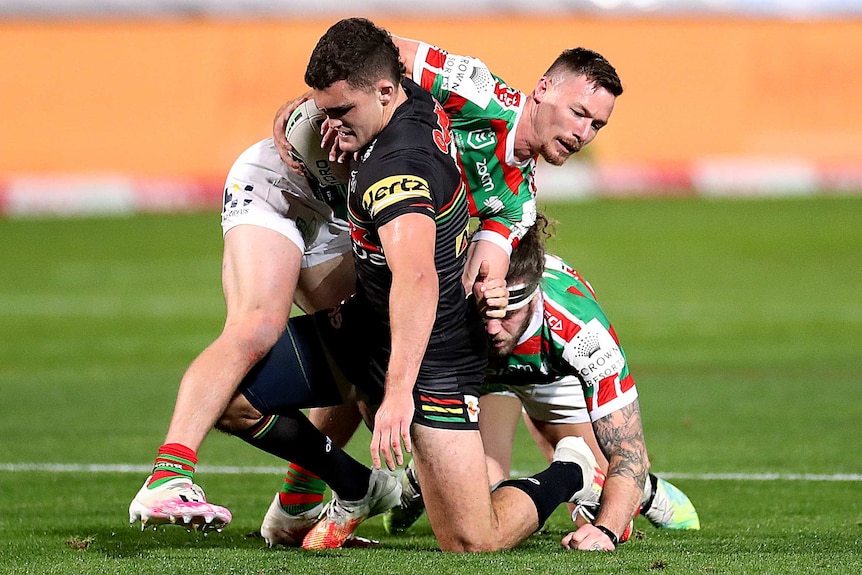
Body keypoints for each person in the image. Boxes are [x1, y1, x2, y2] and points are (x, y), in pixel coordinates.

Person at [234, 17, 608, 552]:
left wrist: (491, 294)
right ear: (542, 89)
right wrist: (314, 108)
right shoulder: (477, 90)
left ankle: (570, 469)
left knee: (469, 539)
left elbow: (470, 276)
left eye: (596, 126)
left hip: (433, 335)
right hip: (374, 275)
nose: (583, 133)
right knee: (244, 387)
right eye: (579, 113)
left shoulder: (517, 203)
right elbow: (380, 54)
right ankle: (329, 489)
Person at [384, 216, 701, 550]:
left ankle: (647, 492)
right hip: (482, 373)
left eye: (507, 314)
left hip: (551, 373)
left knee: (605, 508)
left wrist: (605, 531)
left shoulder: (581, 331)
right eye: (486, 313)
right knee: (485, 492)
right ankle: (422, 476)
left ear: (533, 297)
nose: (493, 329)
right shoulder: (452, 295)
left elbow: (629, 449)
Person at [126, 129, 361, 530]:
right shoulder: (442, 99)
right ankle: (170, 473)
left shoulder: (463, 147)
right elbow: (347, 78)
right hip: (284, 181)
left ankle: (300, 502)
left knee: (362, 339)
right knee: (256, 324)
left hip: (348, 205)